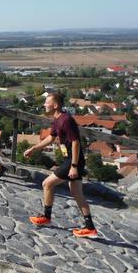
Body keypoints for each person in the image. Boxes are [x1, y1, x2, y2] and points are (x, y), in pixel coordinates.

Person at [24, 93, 97, 238]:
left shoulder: (66, 120)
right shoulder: (57, 120)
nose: (44, 104)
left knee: (47, 184)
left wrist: (74, 166)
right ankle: (90, 228)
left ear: (55, 105)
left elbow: (76, 142)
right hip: (70, 160)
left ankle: (46, 217)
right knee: (77, 194)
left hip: (72, 161)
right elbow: (51, 138)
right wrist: (34, 148)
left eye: (47, 102)